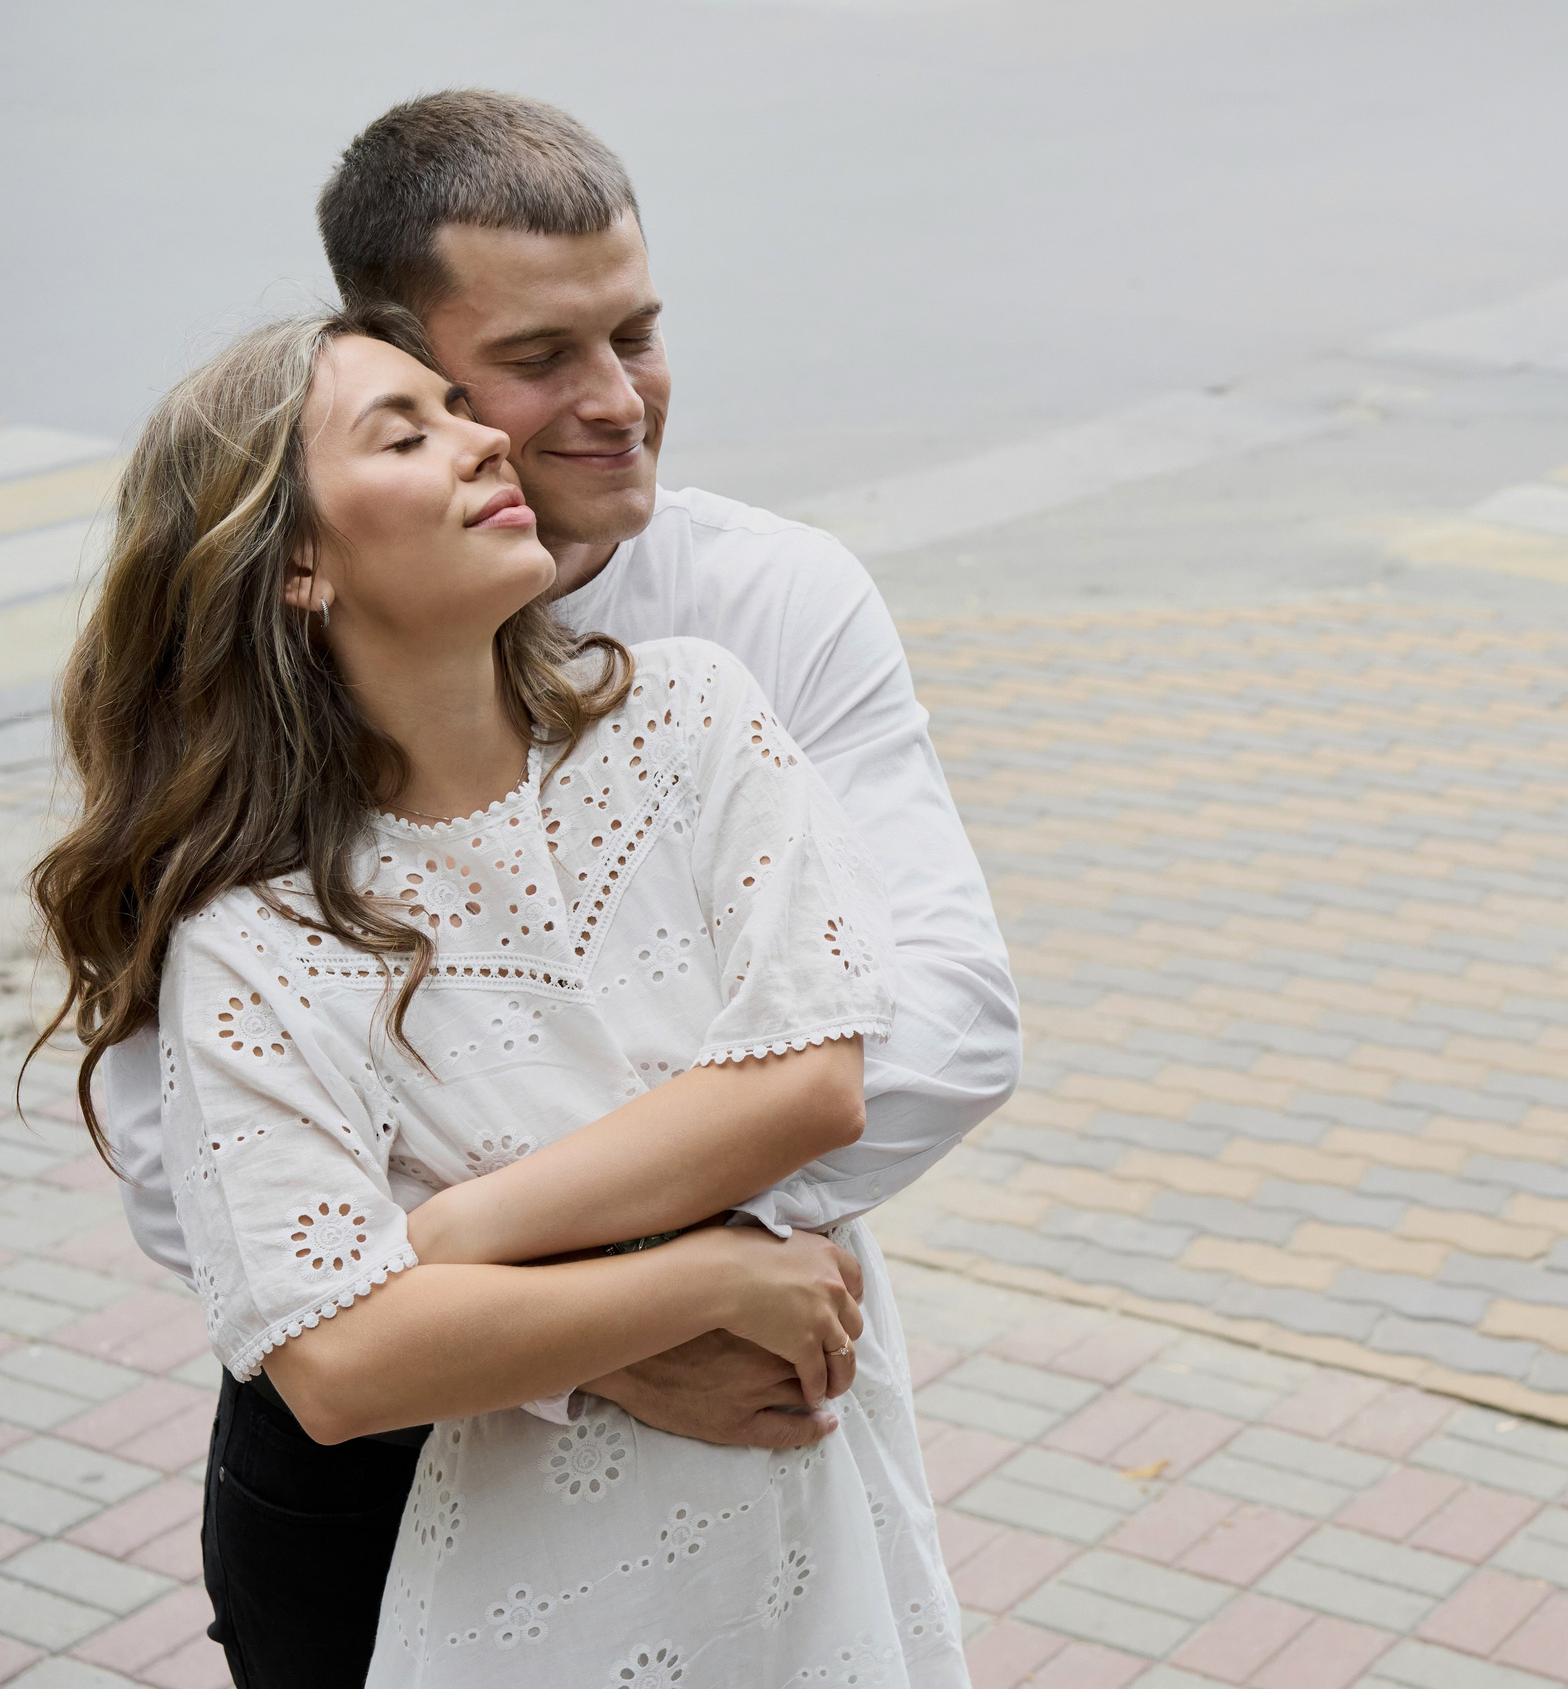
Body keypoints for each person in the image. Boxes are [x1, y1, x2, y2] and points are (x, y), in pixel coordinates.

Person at [78, 91, 1019, 1683]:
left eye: (637, 334)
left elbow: (936, 1033)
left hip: (745, 1407)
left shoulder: (745, 633)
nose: (615, 401)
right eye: (533, 362)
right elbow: (212, 1197)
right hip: (390, 1476)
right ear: (404, 364)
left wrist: (500, 1265)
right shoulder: (250, 794)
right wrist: (625, 1325)